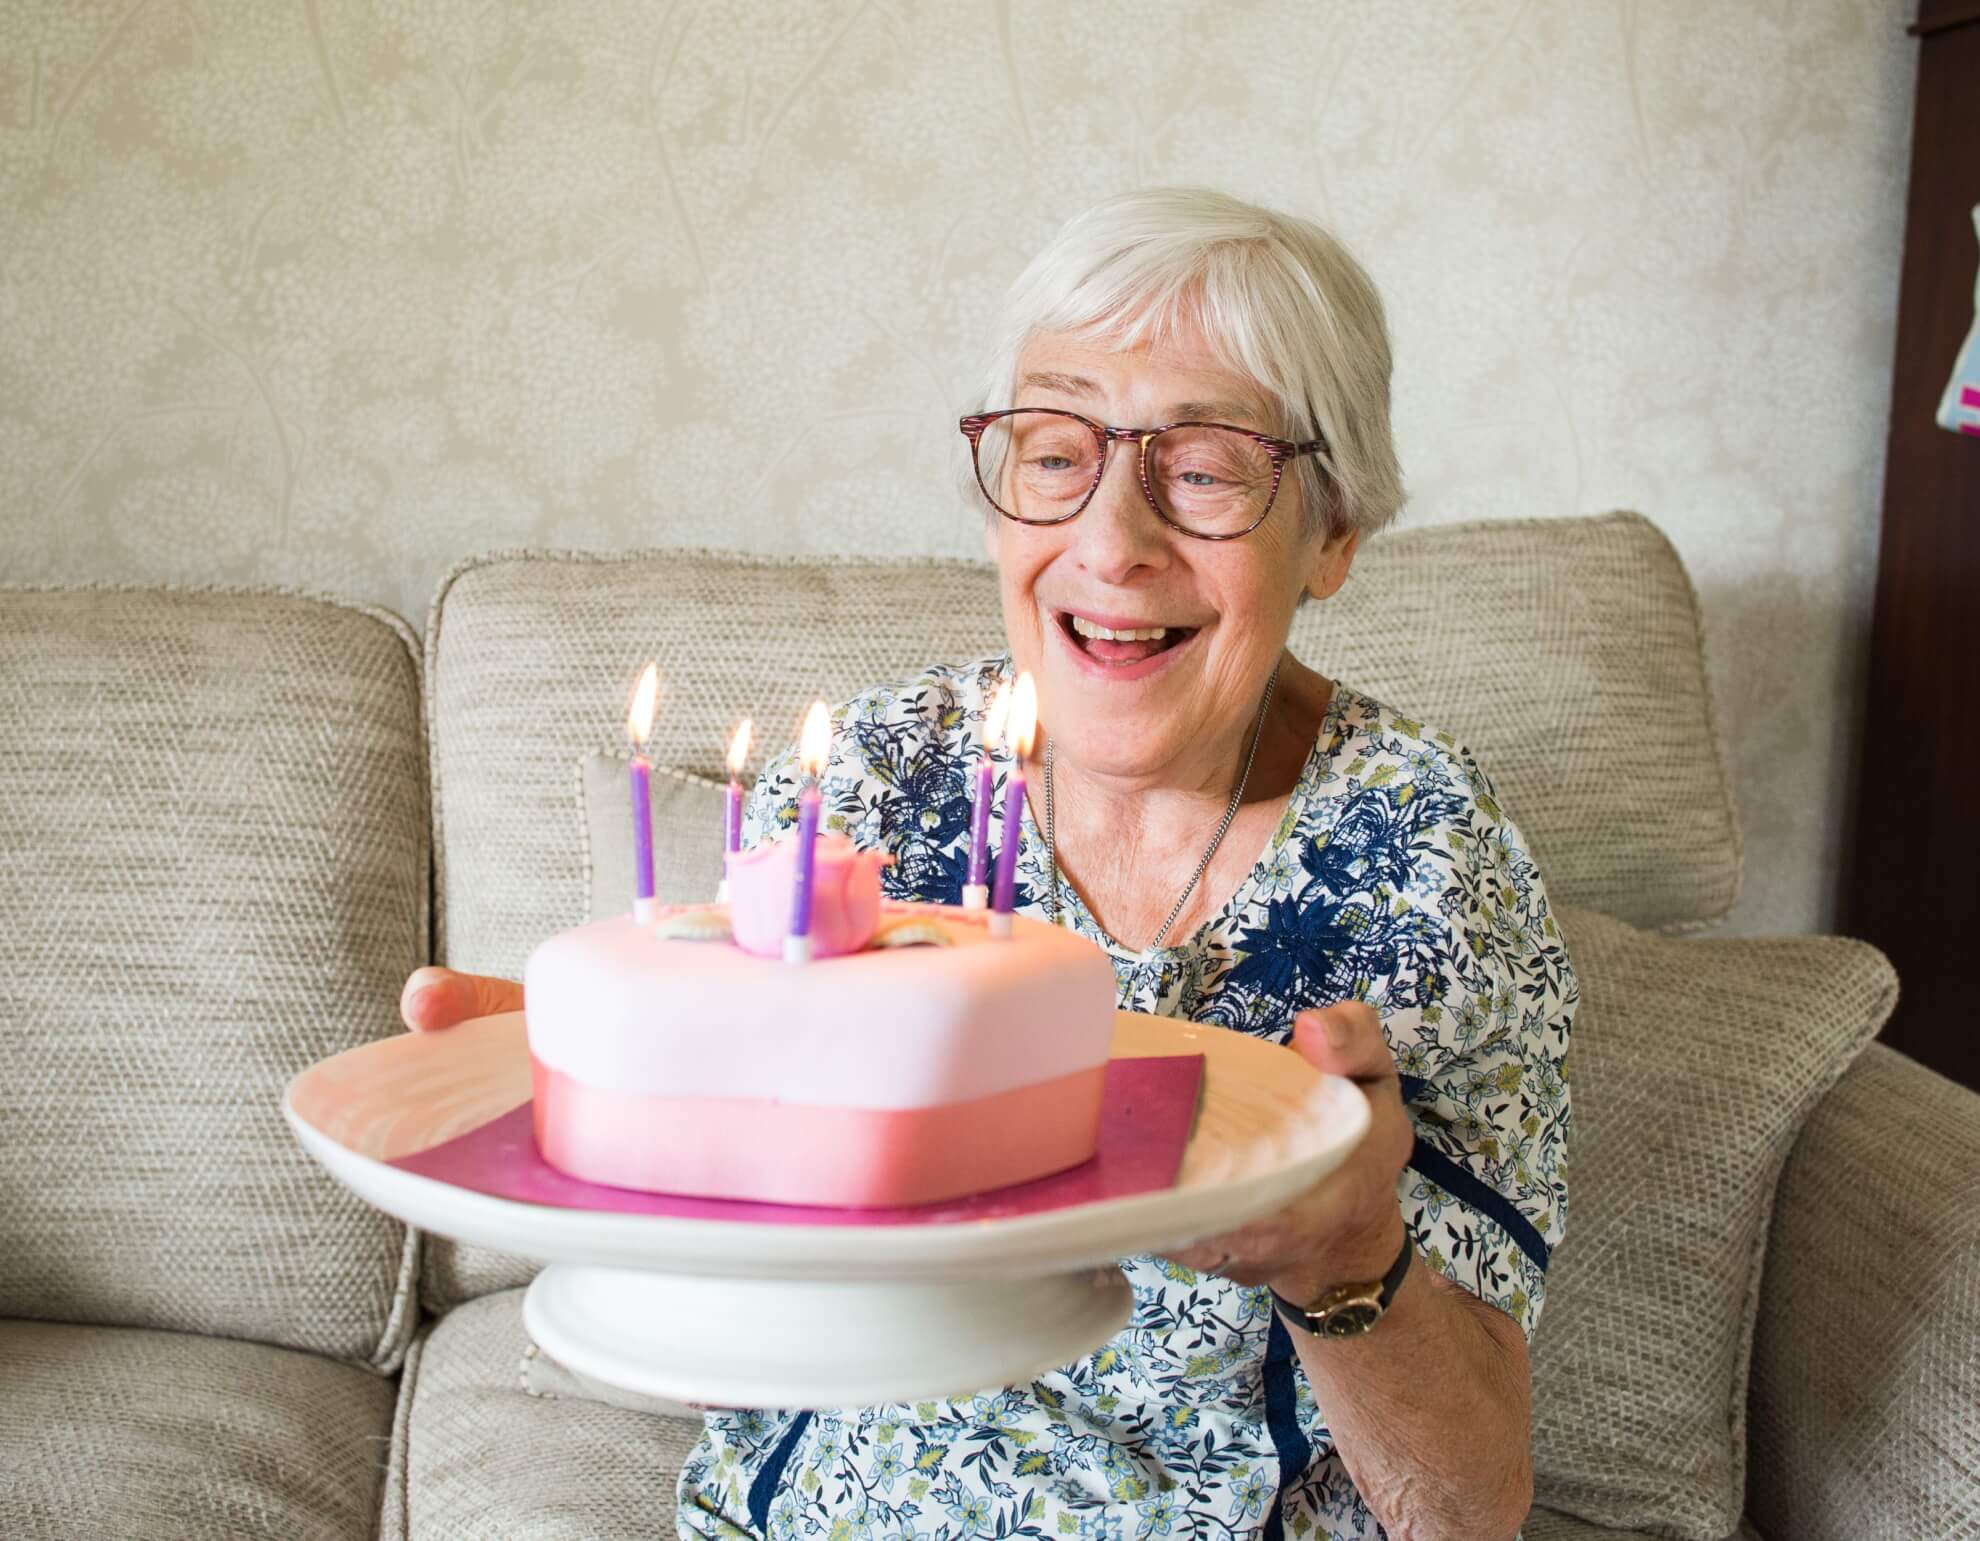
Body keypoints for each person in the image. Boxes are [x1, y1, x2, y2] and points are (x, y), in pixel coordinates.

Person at [402, 187, 1575, 1541]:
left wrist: (1347, 1255)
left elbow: (1470, 1507)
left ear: (1335, 531)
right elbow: (720, 1225)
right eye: (1056, 451)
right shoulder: (869, 792)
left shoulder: (1424, 854)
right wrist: (614, 1092)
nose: (1112, 541)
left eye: (1202, 467)